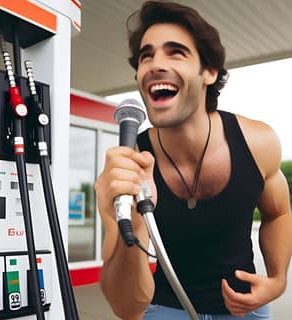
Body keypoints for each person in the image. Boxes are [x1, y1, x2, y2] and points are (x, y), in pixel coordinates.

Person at [94, 1, 292, 319]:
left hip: (245, 308)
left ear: (209, 72)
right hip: (162, 307)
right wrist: (131, 214)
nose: (156, 64)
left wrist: (277, 279)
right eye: (147, 56)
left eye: (176, 52)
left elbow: (278, 213)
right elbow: (127, 308)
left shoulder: (258, 142)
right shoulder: (132, 165)